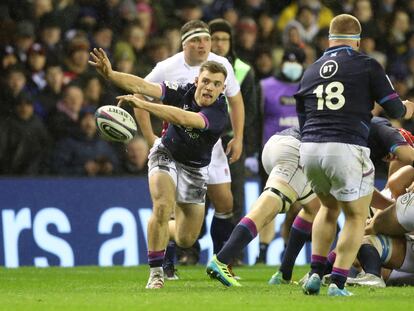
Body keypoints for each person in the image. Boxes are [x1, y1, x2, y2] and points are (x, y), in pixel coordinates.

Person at [89, 47, 228, 289]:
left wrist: (144, 105)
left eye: (216, 84)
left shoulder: (218, 112)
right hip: (166, 153)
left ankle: (164, 231)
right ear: (197, 81)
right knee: (162, 206)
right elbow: (145, 87)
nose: (209, 87)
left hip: (195, 169)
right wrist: (111, 74)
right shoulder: (181, 90)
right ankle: (156, 273)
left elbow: (184, 119)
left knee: (187, 238)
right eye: (205, 81)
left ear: (222, 89)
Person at [296, 14, 414, 296]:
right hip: (346, 144)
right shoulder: (367, 65)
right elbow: (394, 110)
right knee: (355, 217)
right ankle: (337, 282)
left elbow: (303, 116)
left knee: (327, 208)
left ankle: (315, 272)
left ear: (329, 40)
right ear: (358, 41)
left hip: (310, 147)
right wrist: (407, 108)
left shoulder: (311, 69)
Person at [136, 20, 245, 274]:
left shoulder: (221, 64)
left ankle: (222, 261)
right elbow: (141, 95)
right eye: (196, 40)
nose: (203, 45)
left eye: (206, 39)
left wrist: (238, 136)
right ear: (184, 43)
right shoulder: (167, 67)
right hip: (176, 146)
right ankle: (165, 262)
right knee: (167, 207)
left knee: (225, 203)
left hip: (210, 147)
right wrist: (149, 136)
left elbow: (236, 101)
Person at [206, 127, 319, 287]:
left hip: (277, 142)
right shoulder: (352, 124)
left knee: (314, 207)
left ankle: (283, 274)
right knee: (270, 205)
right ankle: (222, 259)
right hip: (296, 150)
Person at [209, 18, 259, 257]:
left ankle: (232, 253)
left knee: (235, 200)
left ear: (231, 42)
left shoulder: (243, 70)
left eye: (224, 39)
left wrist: (241, 141)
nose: (219, 44)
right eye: (215, 39)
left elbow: (250, 111)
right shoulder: (199, 69)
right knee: (198, 197)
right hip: (201, 139)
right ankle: (188, 251)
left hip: (230, 141)